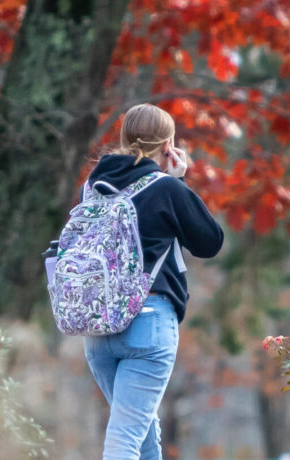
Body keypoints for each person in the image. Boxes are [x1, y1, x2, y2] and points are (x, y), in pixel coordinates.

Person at [81, 103, 223, 460]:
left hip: (98, 329)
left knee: (143, 436)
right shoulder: (166, 188)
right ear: (168, 145)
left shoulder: (93, 188)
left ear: (124, 138)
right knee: (125, 441)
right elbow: (209, 242)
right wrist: (180, 181)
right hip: (148, 323)